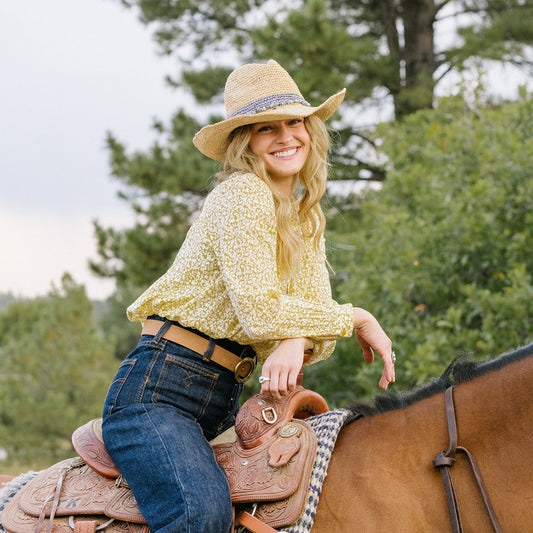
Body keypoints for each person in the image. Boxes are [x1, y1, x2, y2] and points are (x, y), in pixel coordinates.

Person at [101, 59, 395, 533]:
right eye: (265, 128)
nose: (285, 136)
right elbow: (261, 314)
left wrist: (297, 339)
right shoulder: (243, 194)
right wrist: (356, 316)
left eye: (295, 122)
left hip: (216, 398)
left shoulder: (306, 218)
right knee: (200, 516)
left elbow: (309, 323)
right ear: (245, 142)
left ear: (310, 130)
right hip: (158, 391)